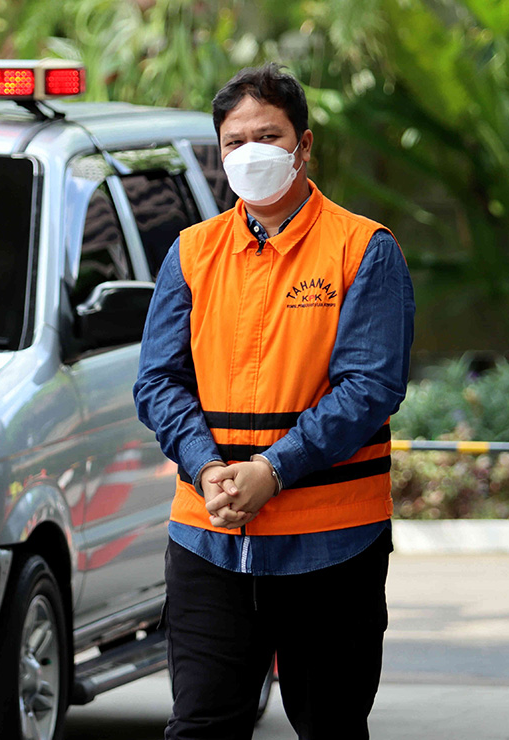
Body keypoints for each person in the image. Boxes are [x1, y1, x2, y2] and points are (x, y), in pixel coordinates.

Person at [133, 64, 414, 740]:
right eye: (235, 141)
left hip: (331, 545)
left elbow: (370, 388)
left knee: (330, 725)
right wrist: (208, 469)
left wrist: (273, 471)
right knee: (201, 724)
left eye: (269, 135)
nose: (251, 152)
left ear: (304, 146)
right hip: (209, 536)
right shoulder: (191, 253)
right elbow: (158, 382)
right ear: (219, 152)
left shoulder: (362, 250)